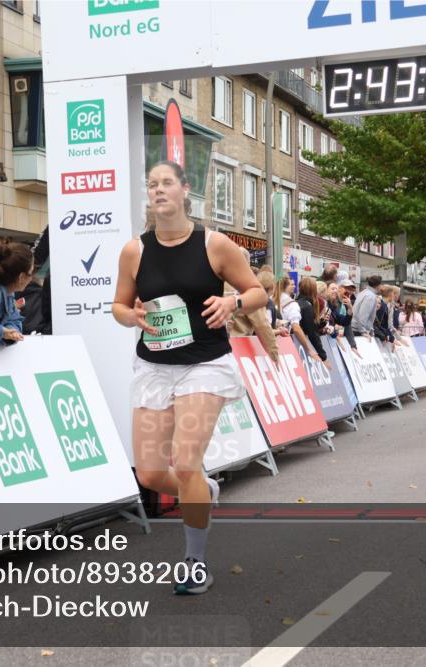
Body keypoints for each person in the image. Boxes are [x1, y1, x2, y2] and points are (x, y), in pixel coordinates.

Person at [111, 161, 266, 596]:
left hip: (204, 364)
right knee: (150, 474)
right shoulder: (134, 251)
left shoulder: (214, 245)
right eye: (152, 184)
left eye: (166, 183)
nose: (158, 190)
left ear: (185, 190)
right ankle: (203, 489)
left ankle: (195, 560)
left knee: (184, 463)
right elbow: (119, 305)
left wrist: (233, 303)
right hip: (154, 366)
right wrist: (131, 317)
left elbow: (258, 291)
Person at [275, 276, 323, 364]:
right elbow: (296, 328)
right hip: (286, 343)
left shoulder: (272, 299)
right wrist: (309, 350)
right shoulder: (293, 304)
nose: (294, 286)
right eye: (291, 284)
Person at [296, 277, 329, 366]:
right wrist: (323, 356)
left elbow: (309, 325)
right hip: (300, 345)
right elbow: (312, 332)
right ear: (313, 289)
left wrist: (321, 322)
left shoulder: (298, 302)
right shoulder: (307, 306)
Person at [324, 281, 357, 350]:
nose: (349, 291)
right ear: (340, 288)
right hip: (325, 338)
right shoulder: (325, 302)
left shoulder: (344, 303)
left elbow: (345, 323)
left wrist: (350, 309)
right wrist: (335, 330)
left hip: (332, 339)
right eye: (347, 288)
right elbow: (326, 323)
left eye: (351, 290)